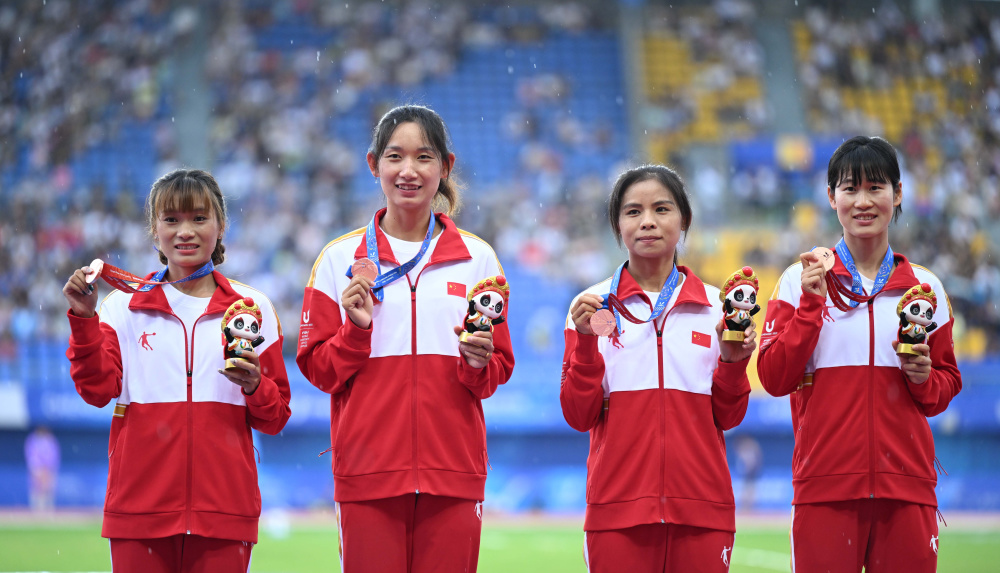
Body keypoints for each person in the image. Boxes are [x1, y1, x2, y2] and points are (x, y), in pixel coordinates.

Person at [296, 104, 514, 573]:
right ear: (374, 165)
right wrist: (355, 332)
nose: (409, 170)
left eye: (424, 157)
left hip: (453, 471)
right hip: (367, 472)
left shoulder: (478, 260)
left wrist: (478, 364)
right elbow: (318, 369)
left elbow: (499, 370)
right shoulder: (338, 260)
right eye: (395, 157)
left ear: (446, 167)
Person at [62, 169, 291, 573]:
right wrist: (83, 320)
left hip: (225, 512)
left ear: (221, 227)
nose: (185, 231)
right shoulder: (121, 308)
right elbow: (97, 391)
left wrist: (256, 386)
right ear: (154, 231)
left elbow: (275, 418)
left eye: (199, 218)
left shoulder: (251, 310)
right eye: (171, 220)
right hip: (139, 511)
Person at [757, 136, 962, 573]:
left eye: (876, 187)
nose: (863, 201)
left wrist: (924, 378)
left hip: (906, 489)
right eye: (850, 189)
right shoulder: (799, 281)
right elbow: (774, 378)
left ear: (898, 193)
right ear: (831, 198)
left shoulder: (925, 290)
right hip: (824, 490)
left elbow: (943, 389)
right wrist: (811, 308)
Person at [560, 164, 754, 572]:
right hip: (617, 511)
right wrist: (585, 343)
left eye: (661, 209)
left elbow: (729, 416)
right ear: (617, 224)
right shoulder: (591, 307)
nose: (647, 221)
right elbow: (579, 416)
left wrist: (734, 364)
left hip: (703, 511)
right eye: (633, 212)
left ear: (683, 219)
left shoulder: (719, 308)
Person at [24, 426, 60, 512]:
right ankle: (36, 511)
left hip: (49, 469)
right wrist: (36, 468)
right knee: (36, 490)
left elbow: (54, 455)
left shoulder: (51, 440)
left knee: (48, 490)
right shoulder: (32, 440)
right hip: (37, 469)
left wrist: (48, 468)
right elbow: (31, 455)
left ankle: (49, 510)